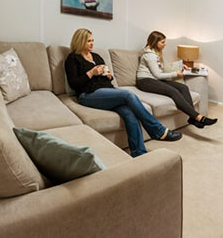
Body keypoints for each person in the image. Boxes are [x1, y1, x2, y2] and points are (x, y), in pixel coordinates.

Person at [65, 28, 181, 158]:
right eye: (88, 41)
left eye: (93, 40)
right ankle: (157, 130)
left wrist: (108, 76)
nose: (92, 44)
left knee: (129, 113)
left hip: (107, 91)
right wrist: (90, 73)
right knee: (128, 94)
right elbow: (73, 83)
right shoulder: (73, 59)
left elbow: (108, 77)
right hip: (88, 94)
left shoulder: (96, 56)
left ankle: (138, 153)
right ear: (80, 42)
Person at [137, 31, 217, 129]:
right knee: (173, 91)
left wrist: (179, 65)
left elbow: (165, 66)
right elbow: (158, 75)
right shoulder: (150, 55)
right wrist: (176, 74)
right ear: (155, 42)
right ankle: (198, 117)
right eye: (162, 42)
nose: (164, 44)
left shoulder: (156, 52)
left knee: (183, 87)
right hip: (145, 81)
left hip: (154, 79)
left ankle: (192, 118)